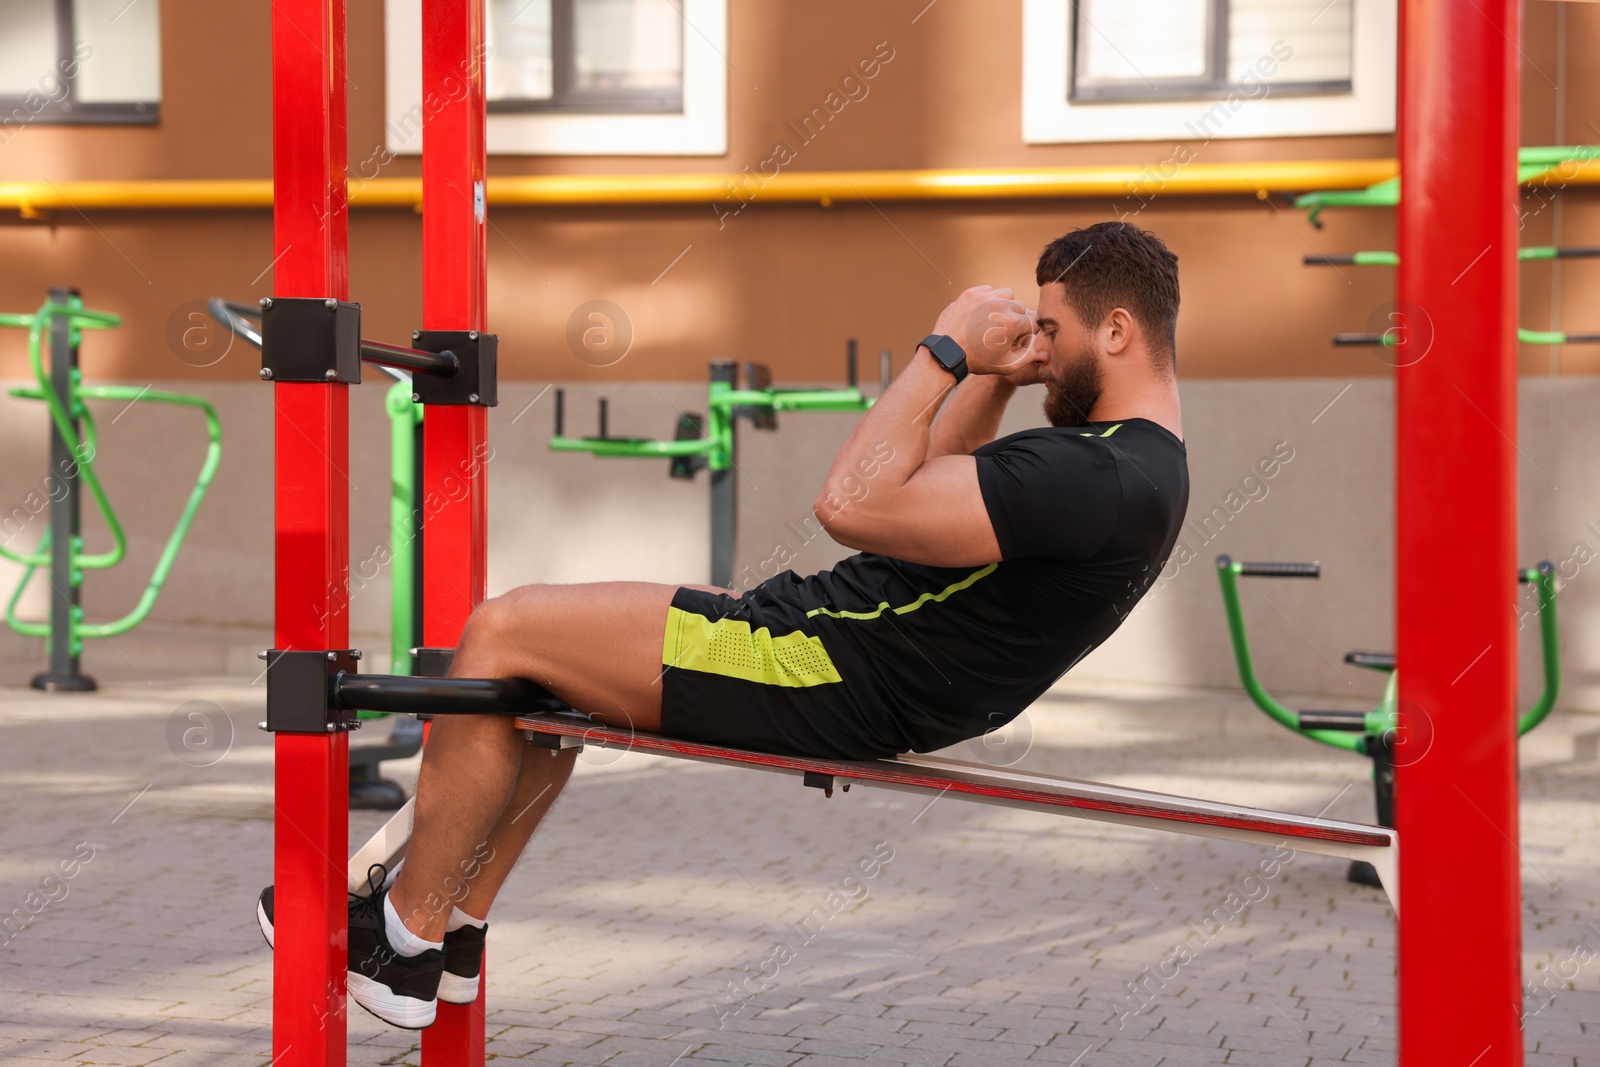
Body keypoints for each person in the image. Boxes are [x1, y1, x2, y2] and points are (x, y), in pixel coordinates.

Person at [257, 220, 1191, 1029]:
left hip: (819, 662)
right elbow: (922, 503)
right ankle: (453, 932)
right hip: (838, 659)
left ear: (1116, 329)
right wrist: (991, 379)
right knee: (551, 684)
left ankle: (406, 937)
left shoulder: (1094, 474)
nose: (1044, 347)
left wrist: (941, 353)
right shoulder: (1132, 468)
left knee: (506, 629)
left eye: (1055, 330)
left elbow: (854, 503)